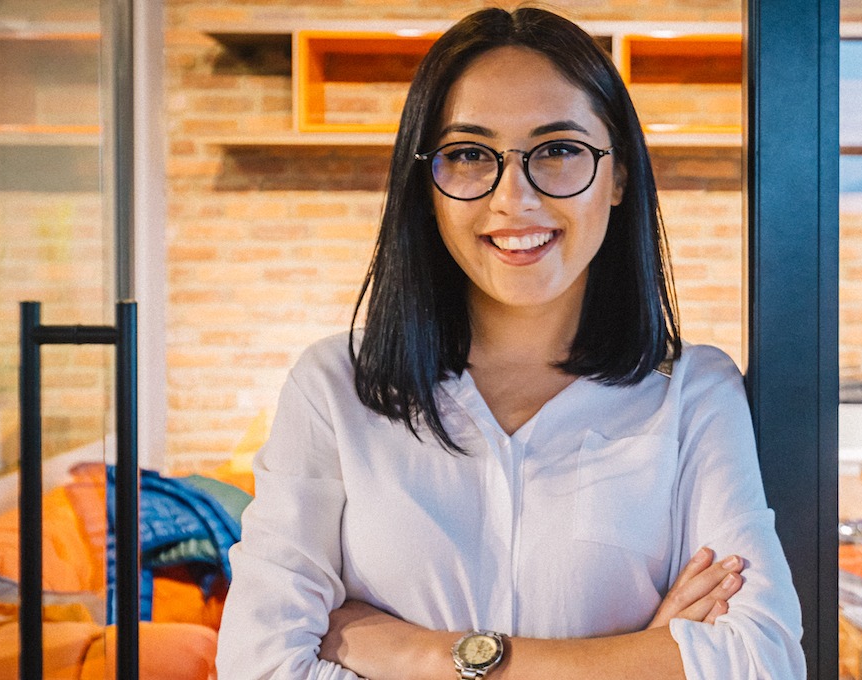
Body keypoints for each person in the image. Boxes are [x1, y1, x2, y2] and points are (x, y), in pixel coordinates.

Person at [215, 7, 804, 679]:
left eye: (557, 150)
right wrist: (648, 656)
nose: (512, 198)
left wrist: (419, 653)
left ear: (618, 177)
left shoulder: (694, 392)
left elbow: (763, 661)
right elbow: (259, 668)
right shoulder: (333, 388)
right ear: (426, 185)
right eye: (469, 155)